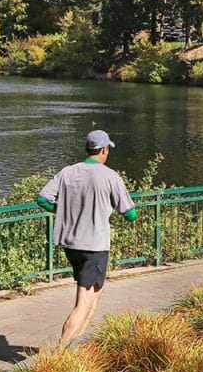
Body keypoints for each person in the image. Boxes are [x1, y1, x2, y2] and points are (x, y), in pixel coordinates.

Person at [36, 130, 138, 346]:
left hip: (71, 244)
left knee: (94, 295)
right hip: (94, 245)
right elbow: (130, 214)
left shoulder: (67, 172)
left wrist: (63, 209)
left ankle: (74, 345)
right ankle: (59, 352)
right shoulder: (110, 176)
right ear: (103, 150)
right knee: (84, 301)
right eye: (107, 149)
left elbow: (42, 199)